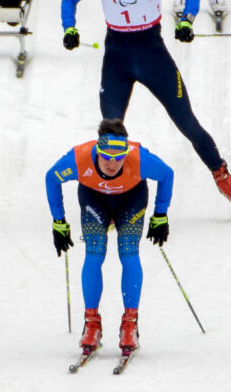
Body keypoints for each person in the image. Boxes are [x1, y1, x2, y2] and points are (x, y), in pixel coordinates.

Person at [60, 0, 231, 208]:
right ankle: (109, 195)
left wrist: (186, 20)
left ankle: (222, 176)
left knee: (187, 123)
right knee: (111, 132)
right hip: (117, 57)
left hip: (152, 52)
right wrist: (69, 28)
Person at [46, 119, 174, 356]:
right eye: (106, 156)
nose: (113, 163)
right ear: (97, 150)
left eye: (119, 156)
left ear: (127, 151)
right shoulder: (79, 157)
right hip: (95, 199)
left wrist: (161, 215)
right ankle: (92, 322)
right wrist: (58, 221)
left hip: (131, 199)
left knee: (128, 253)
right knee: (94, 254)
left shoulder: (139, 159)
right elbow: (51, 178)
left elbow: (167, 175)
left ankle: (130, 323)